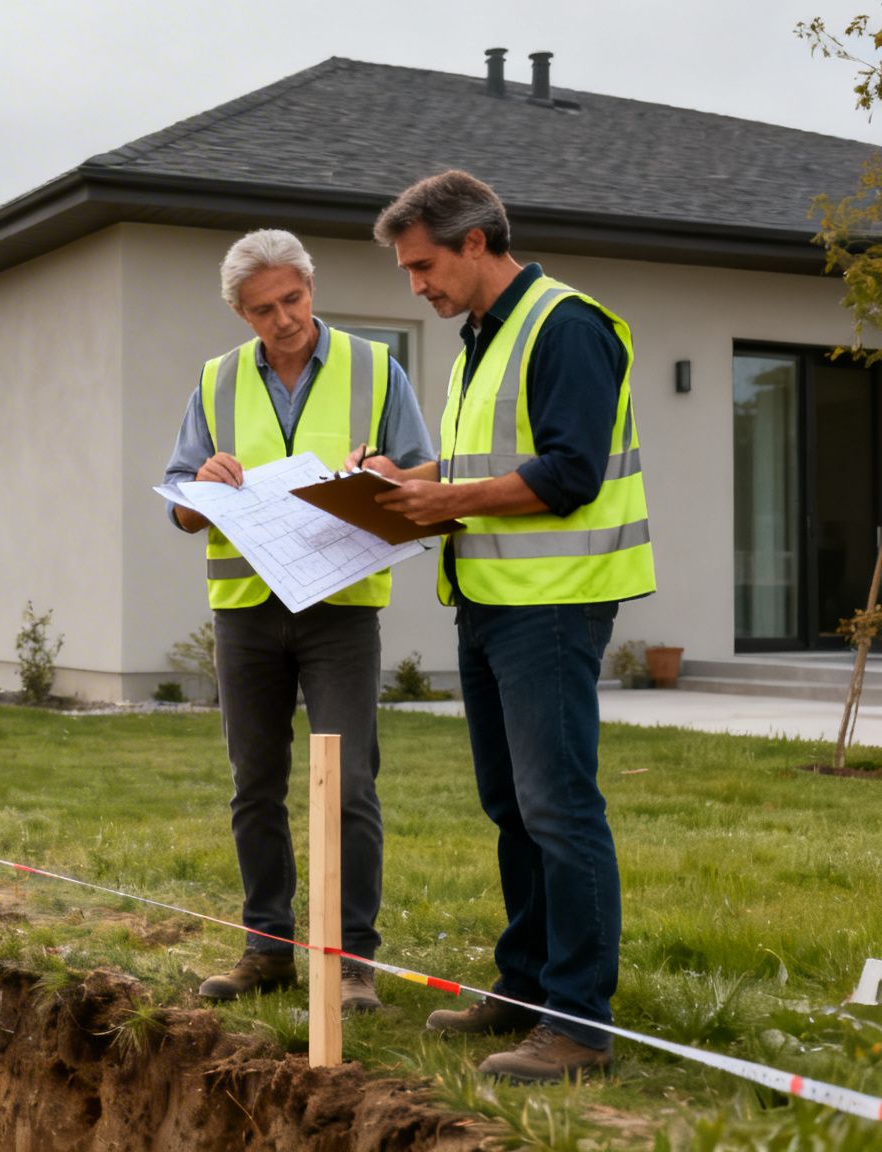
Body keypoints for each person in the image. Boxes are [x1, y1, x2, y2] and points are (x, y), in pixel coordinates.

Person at [364, 170, 655, 1082]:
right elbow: (490, 465)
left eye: (423, 266)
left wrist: (446, 494)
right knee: (512, 808)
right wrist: (404, 479)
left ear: (476, 242)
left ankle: (577, 1024)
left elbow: (568, 472)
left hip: (555, 606)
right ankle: (525, 989)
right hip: (489, 602)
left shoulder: (567, 326)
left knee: (560, 810)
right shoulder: (480, 341)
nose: (416, 286)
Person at [163, 229, 436, 1015]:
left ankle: (353, 963)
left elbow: (423, 472)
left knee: (349, 783)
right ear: (241, 314)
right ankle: (267, 951)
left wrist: (386, 474)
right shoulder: (214, 383)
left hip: (339, 611)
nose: (283, 319)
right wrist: (200, 484)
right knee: (255, 786)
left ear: (310, 288)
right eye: (263, 309)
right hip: (245, 613)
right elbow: (180, 502)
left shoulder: (376, 368)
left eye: (293, 299)